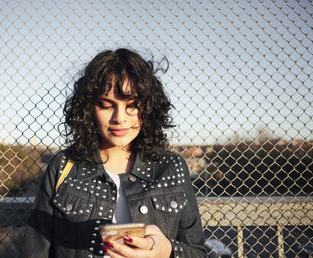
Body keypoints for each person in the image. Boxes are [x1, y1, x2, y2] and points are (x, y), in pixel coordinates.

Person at [20, 48, 206, 257]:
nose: (119, 118)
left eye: (132, 105)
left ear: (150, 106)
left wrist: (168, 250)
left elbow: (197, 251)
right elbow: (34, 251)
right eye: (106, 105)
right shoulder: (63, 166)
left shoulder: (172, 167)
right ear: (89, 108)